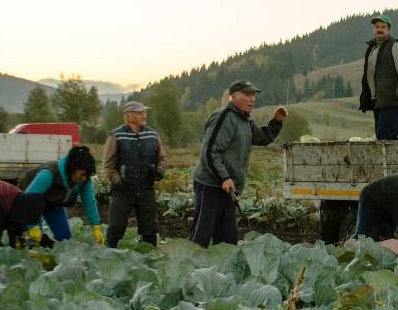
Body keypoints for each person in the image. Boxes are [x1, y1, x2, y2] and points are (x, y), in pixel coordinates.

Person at [190, 80, 287, 247]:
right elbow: (209, 152)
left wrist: (277, 121)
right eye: (247, 95)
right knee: (201, 236)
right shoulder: (224, 117)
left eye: (253, 95)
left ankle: (222, 271)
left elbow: (262, 138)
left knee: (228, 239)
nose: (252, 99)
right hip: (210, 185)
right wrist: (224, 178)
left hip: (228, 188)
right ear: (233, 97)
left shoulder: (244, 120)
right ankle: (189, 270)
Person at [102, 100, 168, 247]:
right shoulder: (116, 135)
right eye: (140, 113)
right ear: (129, 116)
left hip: (146, 191)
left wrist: (160, 170)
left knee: (150, 230)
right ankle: (109, 257)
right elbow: (108, 164)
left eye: (144, 112)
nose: (144, 115)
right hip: (122, 192)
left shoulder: (152, 134)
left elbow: (162, 158)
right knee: (116, 229)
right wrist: (118, 181)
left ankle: (150, 260)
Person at [18, 145, 103, 245]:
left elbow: (89, 202)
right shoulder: (48, 174)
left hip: (53, 204)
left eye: (87, 175)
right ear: (72, 168)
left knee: (65, 239)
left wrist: (96, 227)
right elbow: (27, 201)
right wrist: (32, 226)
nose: (84, 178)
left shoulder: (84, 180)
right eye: (82, 174)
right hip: (30, 202)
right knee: (35, 240)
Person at [358, 15, 398, 140]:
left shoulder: (395, 44)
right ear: (373, 29)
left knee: (385, 135)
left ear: (388, 29)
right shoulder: (373, 48)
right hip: (379, 99)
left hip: (393, 96)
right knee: (384, 136)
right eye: (377, 27)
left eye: (383, 27)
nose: (379, 29)